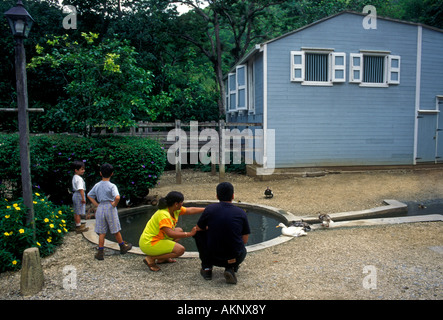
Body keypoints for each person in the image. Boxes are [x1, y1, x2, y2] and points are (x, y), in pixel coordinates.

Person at [194, 182, 250, 284]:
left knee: (197, 233)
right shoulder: (241, 213)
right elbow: (245, 240)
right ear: (233, 196)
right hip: (236, 257)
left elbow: (198, 228)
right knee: (238, 243)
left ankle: (207, 268)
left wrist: (210, 228)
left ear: (217, 196)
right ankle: (230, 267)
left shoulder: (209, 209)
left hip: (213, 257)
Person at [139, 191, 204, 272]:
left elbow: (190, 210)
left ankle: (163, 259)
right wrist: (189, 234)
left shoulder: (173, 209)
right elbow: (170, 233)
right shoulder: (163, 214)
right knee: (180, 250)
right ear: (176, 204)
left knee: (179, 230)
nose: (182, 204)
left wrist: (206, 209)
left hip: (158, 238)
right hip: (149, 242)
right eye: (181, 202)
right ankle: (151, 258)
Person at [87, 163, 132, 260]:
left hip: (101, 207)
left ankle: (100, 252)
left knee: (102, 232)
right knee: (115, 229)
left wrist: (97, 204)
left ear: (100, 173)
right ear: (112, 174)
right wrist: (114, 204)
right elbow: (117, 197)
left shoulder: (97, 185)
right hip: (110, 208)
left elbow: (89, 195)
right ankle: (122, 247)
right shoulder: (112, 186)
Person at [71, 160, 89, 233]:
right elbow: (81, 189)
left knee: (76, 211)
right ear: (76, 170)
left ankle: (78, 224)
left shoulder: (75, 177)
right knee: (78, 211)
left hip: (76, 194)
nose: (83, 171)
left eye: (83, 169)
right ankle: (78, 227)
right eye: (81, 169)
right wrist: (83, 198)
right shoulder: (79, 179)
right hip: (79, 195)